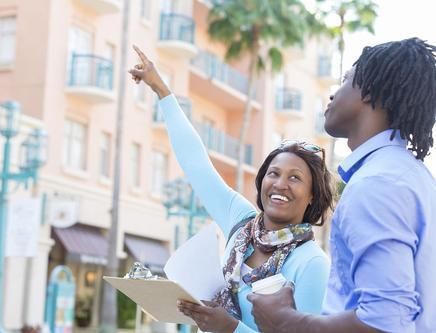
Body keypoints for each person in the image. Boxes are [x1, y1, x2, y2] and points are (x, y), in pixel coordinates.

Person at [129, 46, 334, 333]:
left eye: (295, 178)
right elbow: (197, 166)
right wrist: (162, 91)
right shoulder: (241, 221)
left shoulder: (312, 263)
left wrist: (231, 329)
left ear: (313, 194)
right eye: (273, 173)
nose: (280, 184)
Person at [247, 37, 436, 333]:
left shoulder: (377, 184)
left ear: (371, 90)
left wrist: (287, 322)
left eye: (346, 80)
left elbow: (387, 320)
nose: (333, 95)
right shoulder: (412, 176)